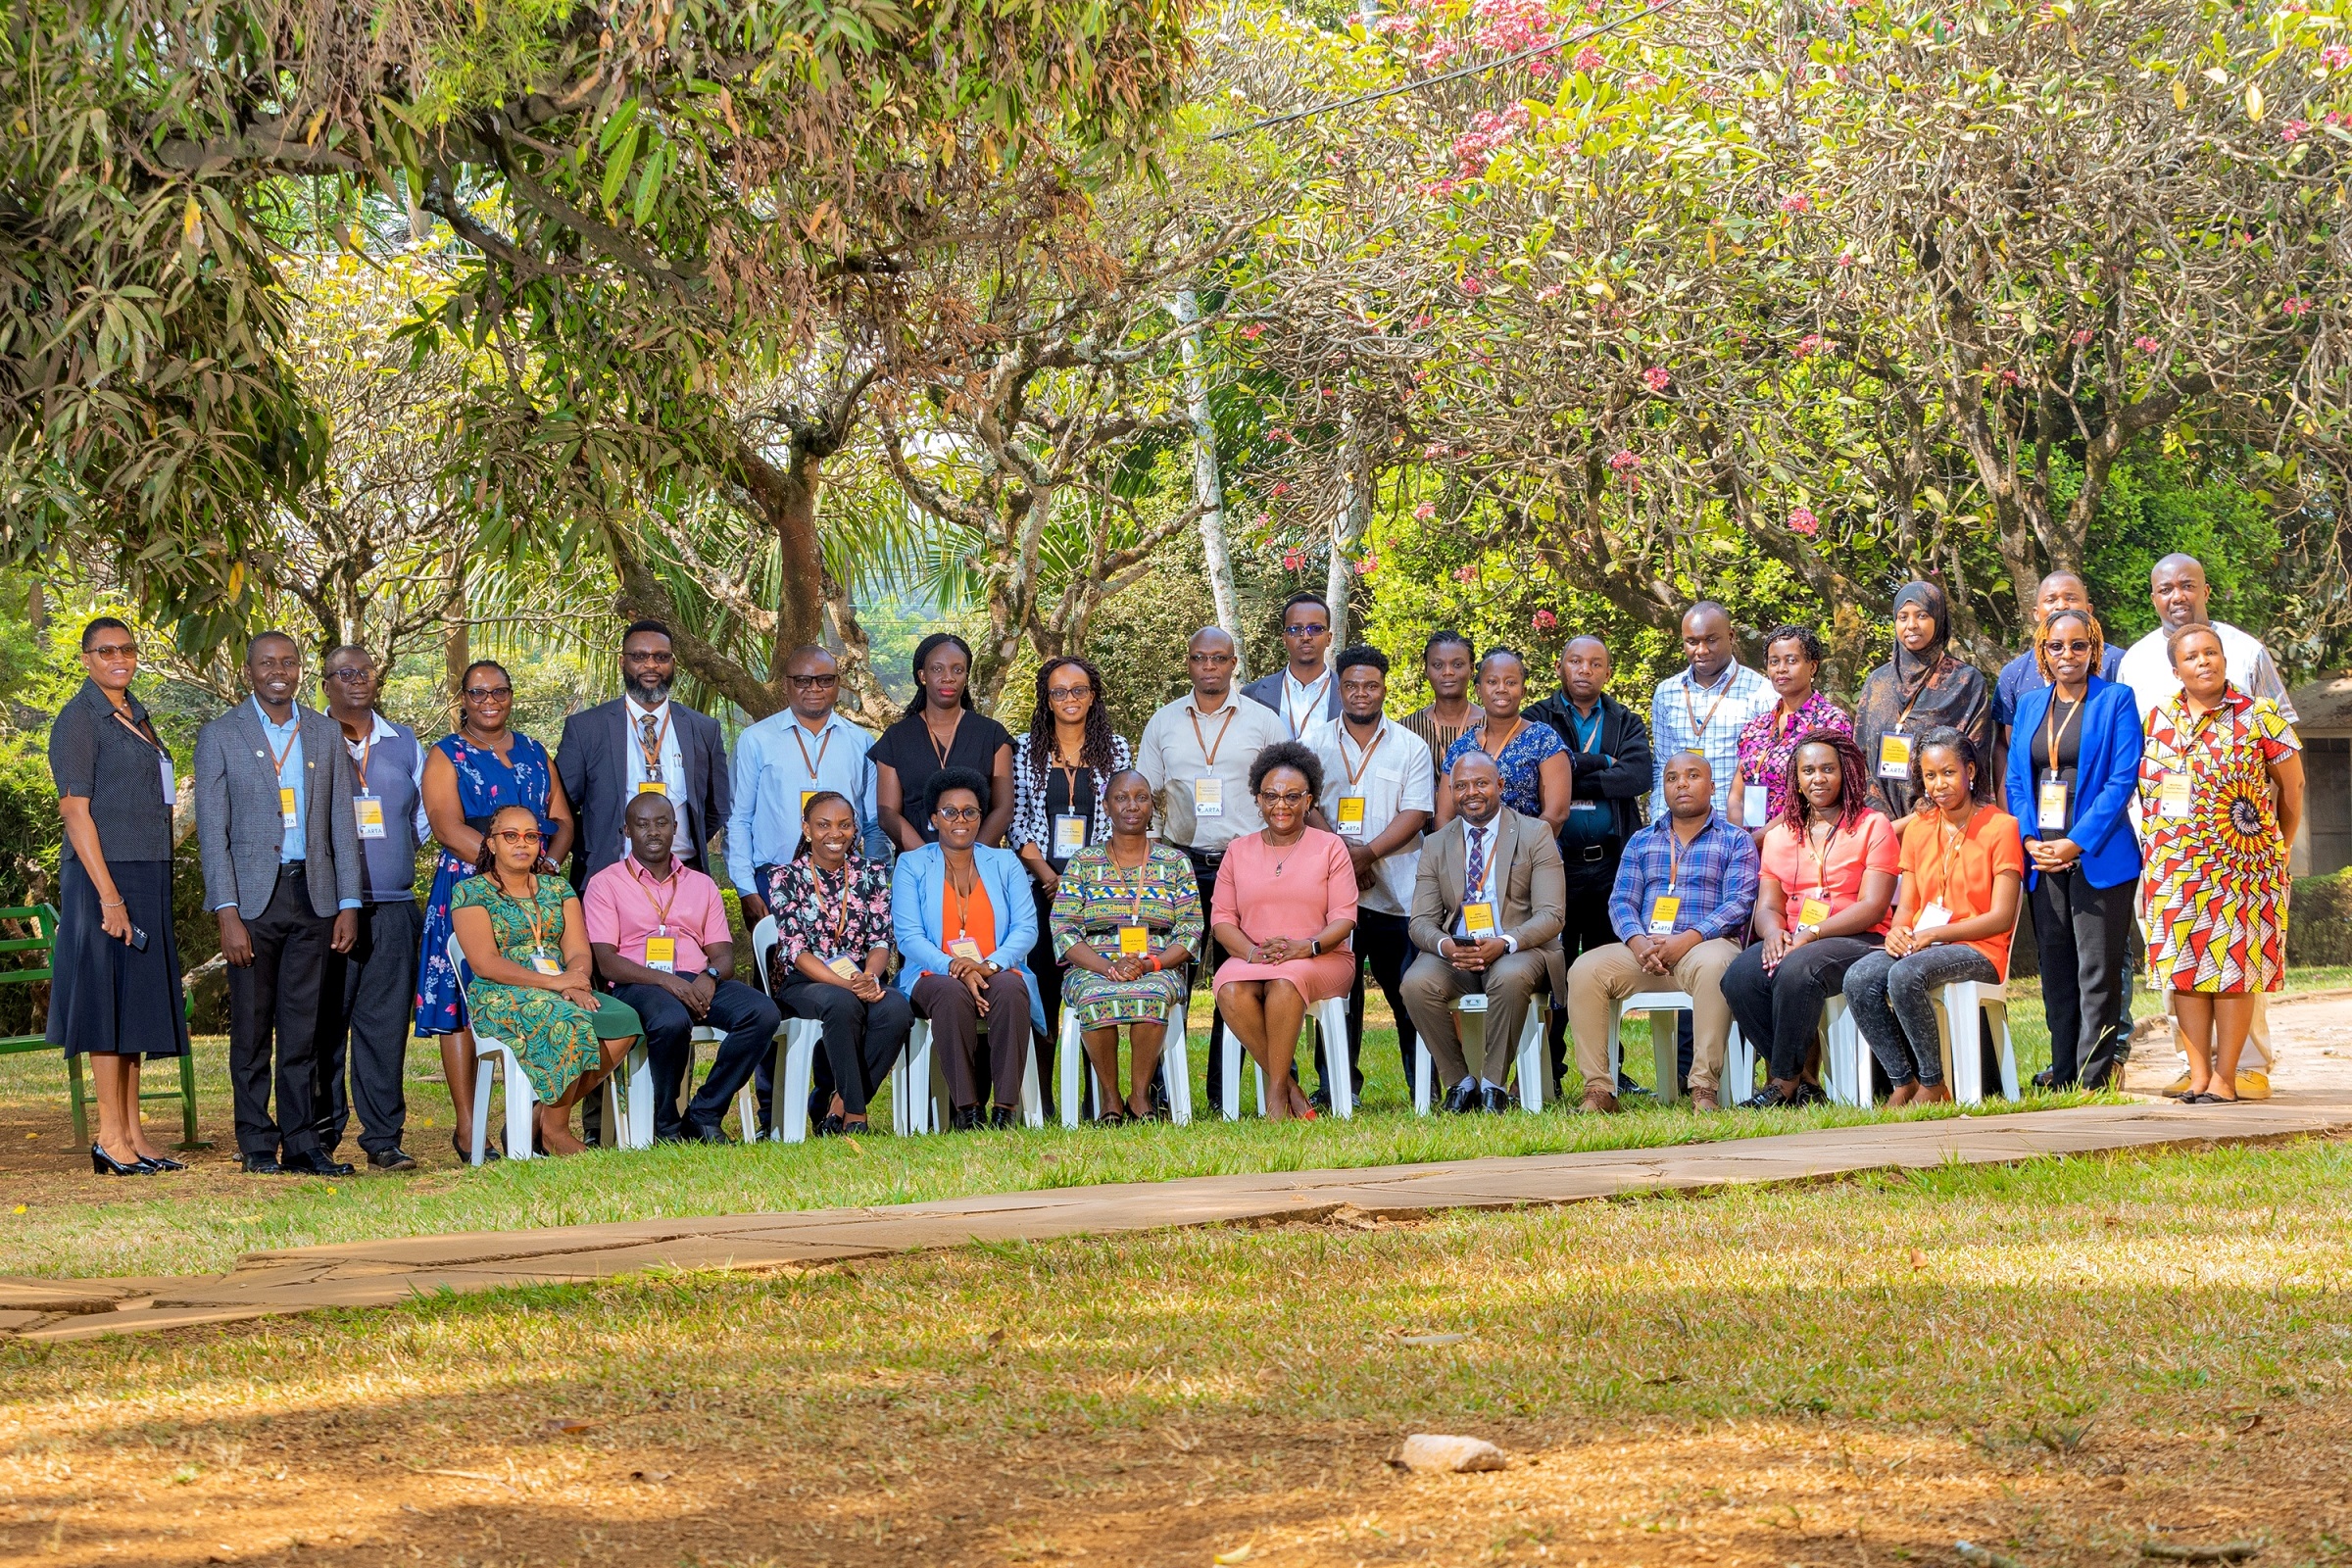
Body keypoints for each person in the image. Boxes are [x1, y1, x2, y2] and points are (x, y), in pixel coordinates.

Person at [2118, 554, 2300, 1097]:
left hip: (2246, 868)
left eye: (2211, 654)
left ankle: (2234, 1073)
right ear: (2176, 669)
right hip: (2175, 868)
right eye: (2193, 658)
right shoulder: (2158, 720)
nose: (2204, 663)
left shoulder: (2257, 711)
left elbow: (2293, 787)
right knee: (2186, 973)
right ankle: (2197, 1075)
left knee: (2236, 970)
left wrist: (2280, 848)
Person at [194, 632, 363, 1176]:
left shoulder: (322, 732)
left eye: (288, 662)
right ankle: (256, 1142)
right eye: (267, 663)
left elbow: (341, 822)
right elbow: (212, 832)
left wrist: (348, 902)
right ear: (249, 672)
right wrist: (226, 910)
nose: (279, 671)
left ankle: (302, 1142)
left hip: (311, 896)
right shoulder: (221, 735)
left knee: (303, 1028)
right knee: (250, 1026)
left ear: (299, 671)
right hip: (250, 903)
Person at [416, 661, 576, 1161]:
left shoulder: (533, 751)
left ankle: (531, 1122)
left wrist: (542, 866)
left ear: (511, 695)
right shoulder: (446, 755)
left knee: (536, 986)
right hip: (470, 886)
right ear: (461, 697)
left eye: (500, 691)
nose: (490, 700)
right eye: (478, 692)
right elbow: (444, 824)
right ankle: (468, 1126)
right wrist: (503, 867)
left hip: (535, 891)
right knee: (461, 1006)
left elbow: (562, 820)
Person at [48, 618, 192, 1176]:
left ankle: (133, 1133)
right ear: (86, 658)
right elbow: (75, 812)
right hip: (102, 877)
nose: (119, 657)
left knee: (132, 1005)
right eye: (106, 650)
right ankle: (109, 1138)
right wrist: (108, 897)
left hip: (146, 870)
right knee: (108, 1004)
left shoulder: (137, 712)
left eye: (127, 648)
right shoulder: (79, 718)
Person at [1136, 626, 1288, 1112]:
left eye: (1218, 659)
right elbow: (1148, 797)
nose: (1209, 667)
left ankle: (1230, 1095)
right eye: (1200, 658)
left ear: (1233, 663)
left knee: (1240, 976)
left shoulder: (1264, 723)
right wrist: (1153, 860)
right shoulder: (1163, 722)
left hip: (1244, 864)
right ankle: (1161, 1092)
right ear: (1188, 662)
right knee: (1169, 976)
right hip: (1179, 863)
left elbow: (1284, 790)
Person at [1566, 751, 1758, 1113]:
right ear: (1663, 788)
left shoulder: (1735, 840)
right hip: (1645, 952)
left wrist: (1686, 939)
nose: (1681, 783)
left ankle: (1703, 1087)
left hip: (1704, 947)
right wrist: (1639, 942)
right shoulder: (1641, 841)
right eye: (1672, 778)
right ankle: (1599, 1089)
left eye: (1692, 776)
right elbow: (1621, 901)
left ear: (1712, 786)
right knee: (1585, 969)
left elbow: (1739, 902)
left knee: (1716, 964)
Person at [585, 792, 782, 1142]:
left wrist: (710, 976)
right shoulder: (605, 883)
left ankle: (705, 1112)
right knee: (671, 1020)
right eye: (642, 824)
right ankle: (667, 1125)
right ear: (626, 830)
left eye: (662, 823)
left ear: (675, 828)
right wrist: (666, 981)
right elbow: (607, 961)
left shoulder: (702, 884)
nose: (654, 832)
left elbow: (722, 954)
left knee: (762, 1012)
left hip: (696, 979)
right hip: (639, 983)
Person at [1841, 728, 2025, 1104]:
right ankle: (1901, 1081)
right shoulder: (1920, 829)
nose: (1939, 785)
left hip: (1979, 949)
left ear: (1970, 771)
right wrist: (1898, 931)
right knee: (1859, 977)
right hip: (1923, 943)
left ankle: (1933, 1083)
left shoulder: (2001, 826)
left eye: (1948, 773)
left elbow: (2001, 917)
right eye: (1929, 776)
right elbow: (1906, 906)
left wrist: (1936, 933)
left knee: (1906, 974)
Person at [2002, 607, 2143, 1090]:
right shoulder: (2028, 705)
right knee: (2056, 970)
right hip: (2042, 855)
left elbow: (2121, 781)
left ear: (2093, 649)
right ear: (2043, 651)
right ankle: (2062, 1072)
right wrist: (2029, 839)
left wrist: (2074, 842)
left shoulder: (2117, 700)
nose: (2068, 655)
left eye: (2078, 645)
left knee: (2097, 971)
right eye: (2057, 646)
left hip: (2099, 855)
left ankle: (2093, 1077)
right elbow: (2017, 780)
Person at [450, 804, 644, 1154]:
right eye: (510, 836)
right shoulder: (471, 892)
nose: (521, 843)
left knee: (624, 1021)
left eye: (531, 836)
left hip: (563, 986)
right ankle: (557, 1132)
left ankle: (538, 1118)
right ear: (491, 843)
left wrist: (575, 978)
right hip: (502, 992)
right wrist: (557, 985)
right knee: (565, 1019)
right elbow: (485, 963)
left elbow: (579, 951)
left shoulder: (559, 890)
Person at [1721, 729, 1899, 1109]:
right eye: (1808, 771)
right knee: (1740, 975)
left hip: (1859, 937)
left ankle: (1782, 1082)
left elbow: (1873, 905)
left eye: (1827, 769)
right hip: (1796, 938)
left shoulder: (1872, 825)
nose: (1818, 778)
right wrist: (1772, 935)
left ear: (1845, 772)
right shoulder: (1782, 834)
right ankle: (1804, 1081)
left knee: (1798, 969)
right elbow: (1768, 905)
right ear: (1796, 780)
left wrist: (1812, 933)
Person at [317, 644, 429, 1171]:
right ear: (325, 684)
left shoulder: (403, 742)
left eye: (364, 671)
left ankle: (383, 1139)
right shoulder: (310, 740)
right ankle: (319, 1134)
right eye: (344, 673)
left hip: (393, 907)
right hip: (324, 909)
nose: (357, 680)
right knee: (324, 1025)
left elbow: (423, 820)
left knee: (383, 1027)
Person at [1402, 750, 1565, 1112]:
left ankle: (1494, 1084)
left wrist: (1505, 943)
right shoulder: (1436, 843)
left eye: (1480, 783)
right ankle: (1460, 1082)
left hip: (1519, 949)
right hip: (1458, 953)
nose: (1470, 792)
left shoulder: (1534, 833)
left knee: (1508, 976)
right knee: (1415, 983)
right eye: (1460, 786)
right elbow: (1420, 921)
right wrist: (1446, 946)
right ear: (1451, 792)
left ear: (1500, 785)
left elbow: (1552, 915)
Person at [1526, 635, 1654, 1089]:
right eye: (1575, 661)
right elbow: (1535, 770)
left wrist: (1569, 776)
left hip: (1610, 866)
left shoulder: (1625, 720)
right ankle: (1551, 1071)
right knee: (1555, 968)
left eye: (1595, 663)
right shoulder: (1537, 717)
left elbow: (1637, 776)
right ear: (1560, 667)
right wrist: (1600, 761)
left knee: (1603, 968)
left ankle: (1610, 1071)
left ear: (1607, 672)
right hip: (1555, 865)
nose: (1584, 669)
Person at [1210, 743, 1359, 1121]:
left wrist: (1305, 947)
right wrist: (1250, 952)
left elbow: (1344, 920)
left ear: (1309, 800)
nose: (1282, 805)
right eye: (1271, 796)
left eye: (1293, 796)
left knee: (1285, 982)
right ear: (1258, 799)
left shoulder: (1330, 848)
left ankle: (1276, 1097)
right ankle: (1292, 1091)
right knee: (1229, 986)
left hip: (1320, 956)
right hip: (1254, 957)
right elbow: (1222, 919)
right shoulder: (1238, 850)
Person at [1311, 647, 1436, 1097]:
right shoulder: (1314, 743)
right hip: (1333, 896)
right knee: (1338, 997)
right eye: (1351, 685)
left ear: (1385, 688)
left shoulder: (1410, 746)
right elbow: (1305, 805)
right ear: (1338, 687)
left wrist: (1366, 856)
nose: (1361, 694)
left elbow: (1417, 812)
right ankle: (1337, 1089)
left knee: (1408, 992)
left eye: (1371, 685)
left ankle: (1422, 1085)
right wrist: (1345, 857)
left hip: (1399, 895)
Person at [1009, 656, 1131, 1112]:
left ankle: (1098, 1101)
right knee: (1043, 995)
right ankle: (1041, 1102)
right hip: (1037, 888)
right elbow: (1017, 822)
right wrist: (1047, 875)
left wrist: (1076, 881)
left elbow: (1123, 816)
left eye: (1078, 690)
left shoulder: (1116, 749)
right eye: (1059, 692)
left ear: (1093, 694)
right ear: (1047, 699)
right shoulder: (1025, 750)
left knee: (1093, 988)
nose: (1070, 699)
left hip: (1096, 890)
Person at [891, 767, 1044, 1128]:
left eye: (970, 811)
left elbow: (1026, 928)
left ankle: (1005, 1109)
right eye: (950, 812)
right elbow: (909, 936)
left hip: (997, 969)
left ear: (980, 817)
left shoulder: (1005, 862)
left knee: (1010, 987)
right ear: (933, 819)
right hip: (933, 974)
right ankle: (967, 1109)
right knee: (950, 993)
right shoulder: (911, 864)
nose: (960, 819)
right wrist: (956, 967)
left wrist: (989, 966)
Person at [1050, 770, 1203, 1122]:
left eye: (1141, 797)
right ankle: (1109, 1098)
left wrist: (1151, 965)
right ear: (1106, 806)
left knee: (1151, 994)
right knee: (1092, 995)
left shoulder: (1174, 863)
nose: (1131, 806)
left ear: (1152, 807)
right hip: (1094, 966)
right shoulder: (1083, 863)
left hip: (1156, 964)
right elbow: (1063, 927)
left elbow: (1192, 928)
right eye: (1121, 798)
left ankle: (1139, 1097)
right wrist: (1107, 968)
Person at [763, 792, 911, 1136]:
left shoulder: (871, 872)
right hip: (804, 980)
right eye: (823, 825)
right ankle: (856, 1117)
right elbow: (796, 950)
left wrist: (870, 977)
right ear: (806, 829)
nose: (835, 833)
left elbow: (879, 939)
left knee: (896, 1010)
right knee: (842, 1003)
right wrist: (847, 985)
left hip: (863, 975)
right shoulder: (784, 877)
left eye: (844, 825)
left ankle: (839, 1105)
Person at [556, 620, 731, 883]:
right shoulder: (586, 728)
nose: (651, 665)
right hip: (609, 876)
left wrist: (674, 845)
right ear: (622, 662)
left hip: (683, 874)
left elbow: (717, 808)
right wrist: (599, 845)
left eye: (661, 657)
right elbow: (562, 806)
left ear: (673, 663)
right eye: (639, 656)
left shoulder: (704, 729)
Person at [727, 645, 883, 925]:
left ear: (837, 684)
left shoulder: (861, 743)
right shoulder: (756, 740)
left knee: (847, 967)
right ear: (786, 685)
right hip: (773, 877)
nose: (814, 688)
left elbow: (873, 823)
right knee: (778, 967)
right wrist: (746, 887)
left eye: (825, 680)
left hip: (846, 881)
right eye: (802, 680)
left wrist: (872, 881)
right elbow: (738, 819)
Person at [1854, 582, 1992, 820]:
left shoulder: (1965, 682)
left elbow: (1973, 760)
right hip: (1877, 825)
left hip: (1942, 820)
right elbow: (1858, 757)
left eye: (1922, 615)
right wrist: (1879, 821)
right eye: (1902, 617)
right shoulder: (1878, 682)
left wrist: (1914, 820)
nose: (1911, 625)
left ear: (1939, 619)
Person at [875, 633, 1017, 852]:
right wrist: (929, 861)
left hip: (978, 866)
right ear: (922, 676)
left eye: (957, 670)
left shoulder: (993, 735)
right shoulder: (896, 737)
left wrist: (968, 861)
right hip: (917, 864)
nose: (948, 677)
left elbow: (1004, 809)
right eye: (937, 669)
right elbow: (888, 814)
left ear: (966, 676)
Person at [1649, 602, 1774, 819]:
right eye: (1692, 642)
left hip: (1733, 830)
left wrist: (1751, 831)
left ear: (1731, 636)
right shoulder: (1666, 693)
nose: (1702, 650)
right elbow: (1662, 764)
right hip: (1680, 827)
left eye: (1711, 640)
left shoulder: (1761, 692)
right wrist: (1660, 819)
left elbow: (1762, 772)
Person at [1730, 625, 1851, 833]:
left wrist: (1760, 838)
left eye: (1791, 660)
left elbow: (1820, 793)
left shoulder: (1831, 722)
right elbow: (1737, 793)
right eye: (1774, 661)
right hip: (1747, 845)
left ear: (1812, 667)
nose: (1781, 668)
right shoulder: (1756, 727)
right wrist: (1738, 839)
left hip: (1799, 839)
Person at [1438, 649, 1570, 831]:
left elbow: (1557, 813)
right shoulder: (1461, 747)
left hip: (1528, 853)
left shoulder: (1544, 740)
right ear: (1478, 690)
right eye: (1492, 682)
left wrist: (1518, 850)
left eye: (1511, 682)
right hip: (1471, 855)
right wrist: (1463, 854)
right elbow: (1444, 817)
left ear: (1523, 691)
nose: (1501, 689)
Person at [1990, 571, 2128, 742]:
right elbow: (2004, 745)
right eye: (2051, 600)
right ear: (2036, 613)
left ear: (2089, 610)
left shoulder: (2120, 661)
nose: (2061, 606)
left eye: (2071, 598)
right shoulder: (2014, 673)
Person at [1241, 593, 1343, 742]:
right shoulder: (1252, 695)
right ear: (1284, 639)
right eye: (1295, 629)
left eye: (1315, 629)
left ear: (1329, 638)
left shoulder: (1350, 693)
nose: (1306, 637)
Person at [1399, 630, 1478, 776]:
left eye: (1458, 664)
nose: (1448, 672)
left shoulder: (1491, 725)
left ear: (1471, 669)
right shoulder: (1406, 730)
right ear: (1426, 670)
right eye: (1437, 665)